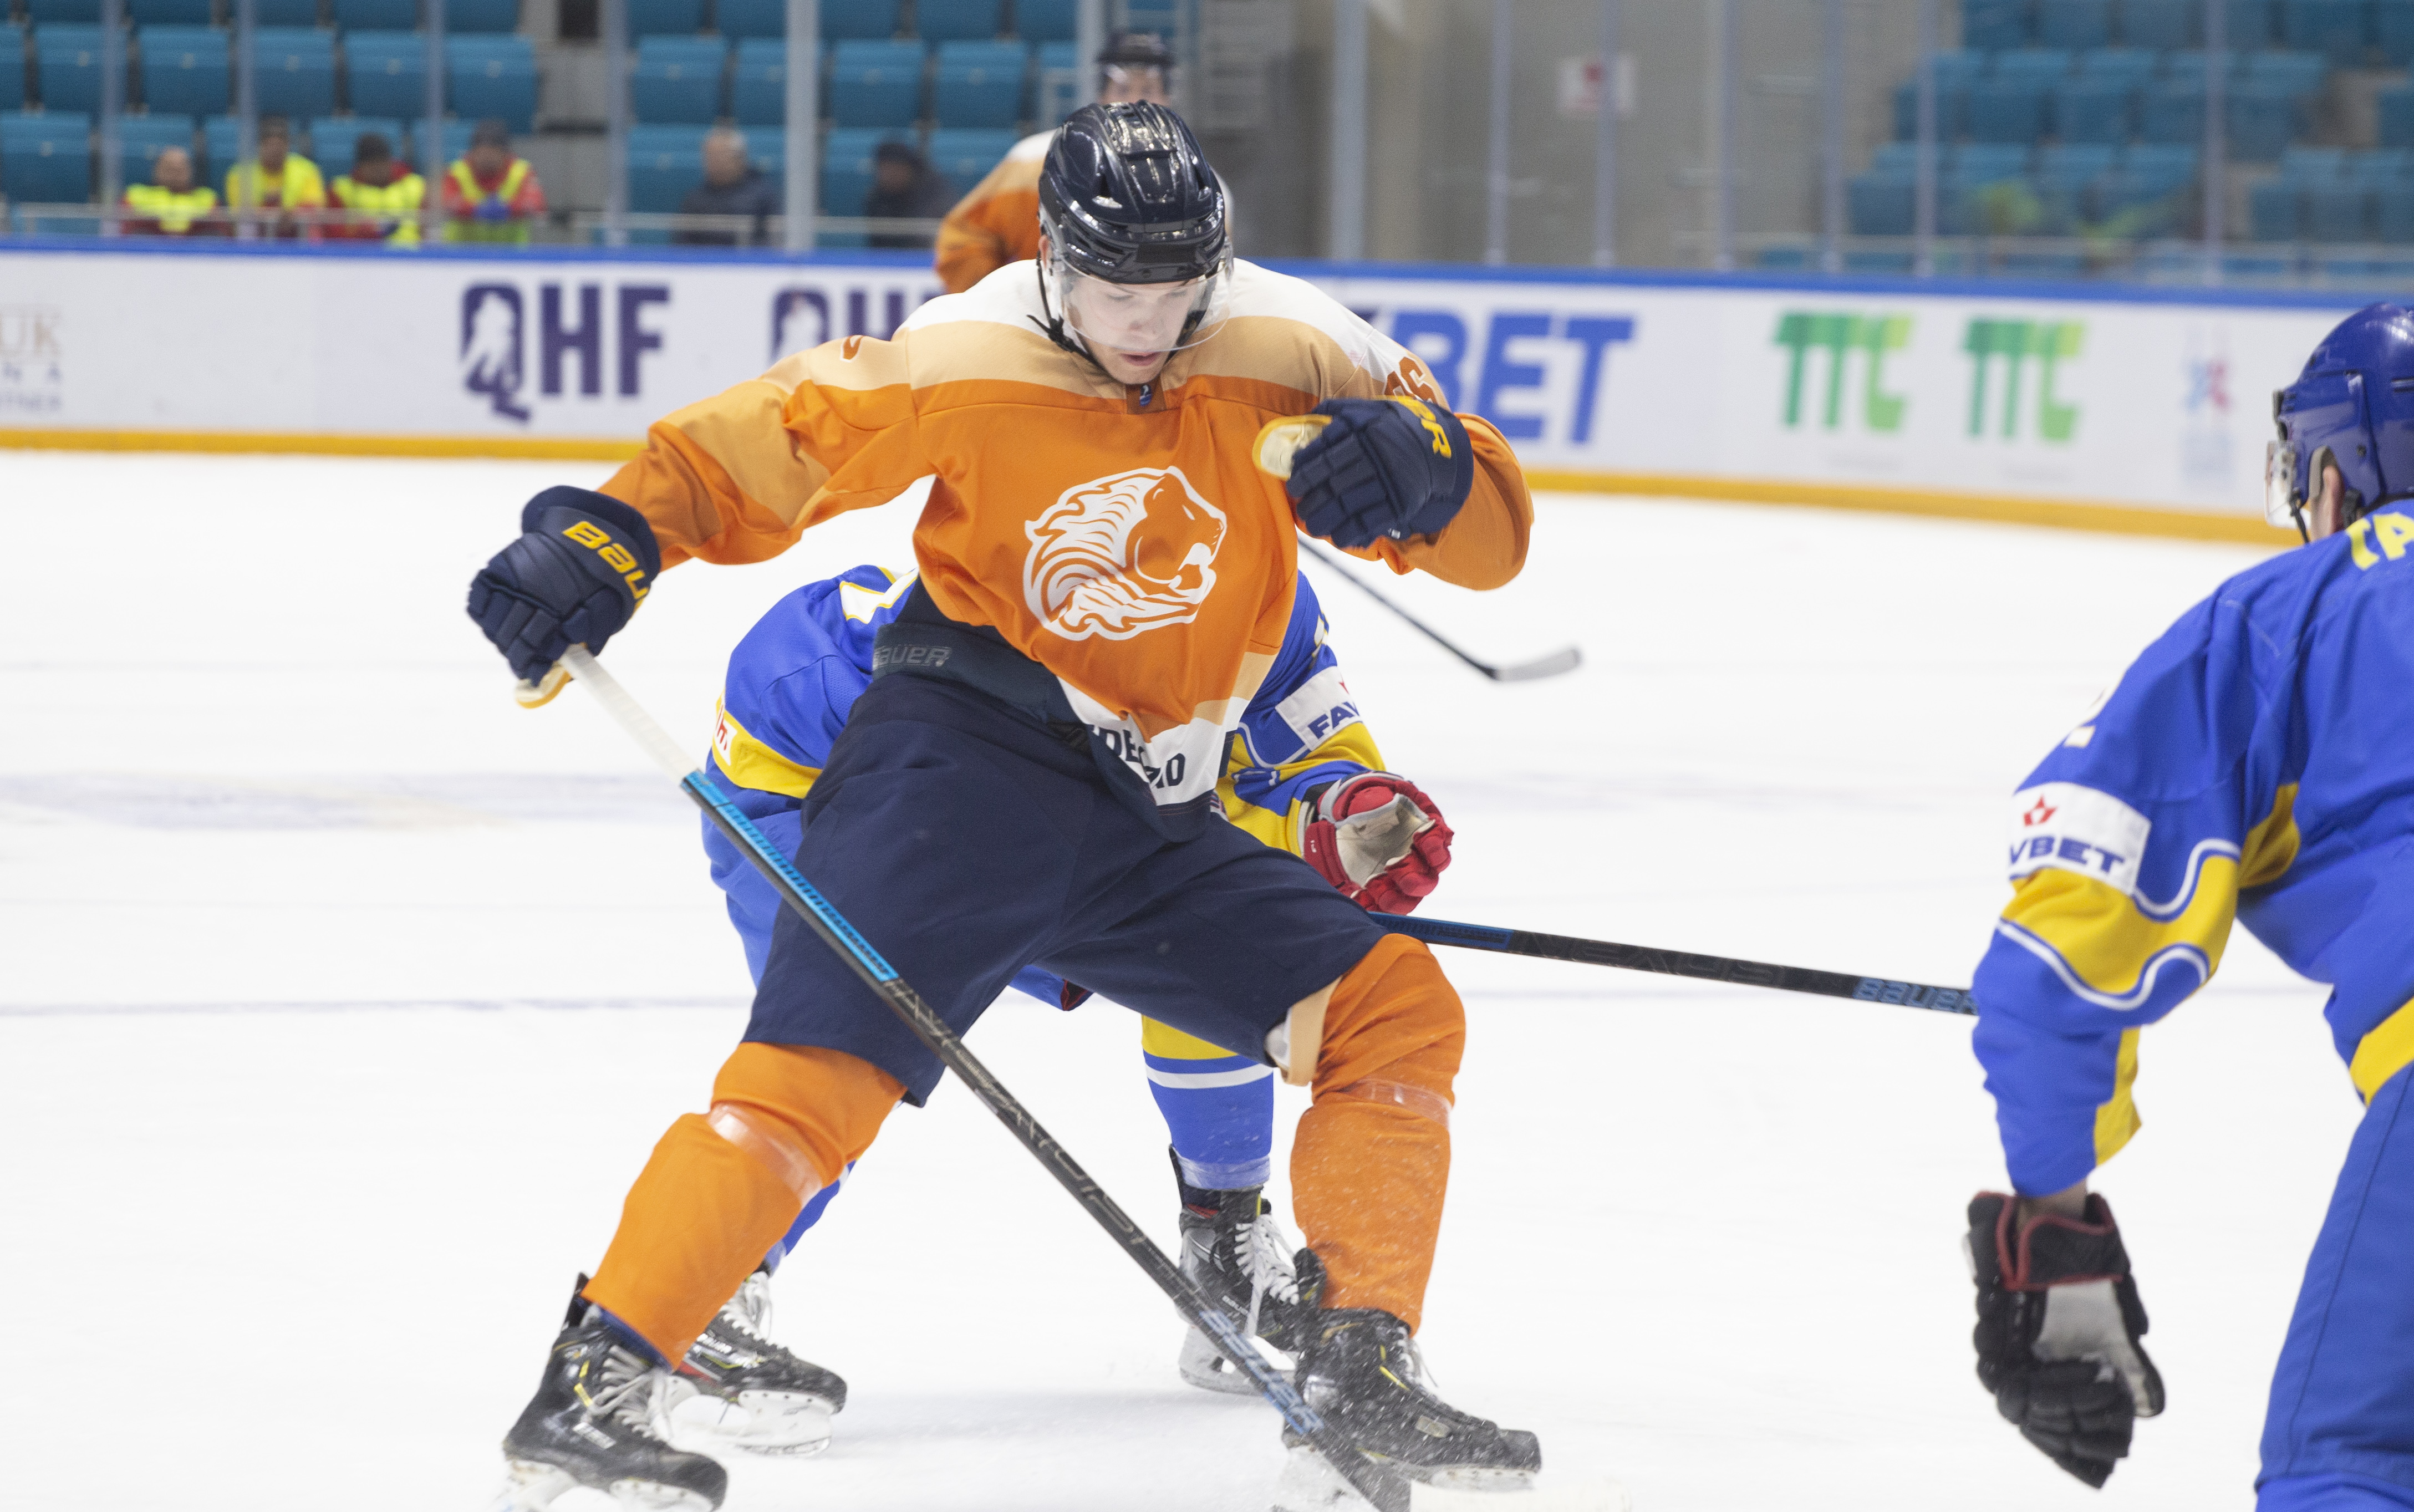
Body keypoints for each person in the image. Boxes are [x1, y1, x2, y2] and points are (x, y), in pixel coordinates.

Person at [466, 102, 1535, 1512]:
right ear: (1052, 260)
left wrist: (1438, 472)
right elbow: (767, 445)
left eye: (1174, 295)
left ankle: (1360, 1374)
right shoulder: (969, 347)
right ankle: (595, 1381)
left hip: (1148, 804)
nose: (1146, 326)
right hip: (959, 759)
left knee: (1396, 1009)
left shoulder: (1296, 344)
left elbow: (1494, 541)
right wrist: (607, 533)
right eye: (1112, 294)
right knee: (816, 1084)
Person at [678, 559, 1451, 1443]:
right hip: (818, 788)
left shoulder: (1267, 586)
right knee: (848, 1042)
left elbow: (1301, 756)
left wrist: (1340, 816)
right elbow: (853, 705)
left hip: (1050, 795)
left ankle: (1223, 1247)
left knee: (1238, 952)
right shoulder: (1036, 578)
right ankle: (699, 1299)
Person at [1958, 301, 2414, 1508]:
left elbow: (2054, 967)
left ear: (2336, 467)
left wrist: (2046, 1232)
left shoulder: (2283, 617)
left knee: (2353, 1469)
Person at [932, 30, 1173, 293]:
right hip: (1043, 327)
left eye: (1148, 90)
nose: (1133, 102)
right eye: (1122, 89)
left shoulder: (1196, 179)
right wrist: (1000, 301)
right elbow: (964, 238)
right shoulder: (1033, 161)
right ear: (1102, 95)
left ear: (1167, 101)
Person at [442, 119, 546, 245]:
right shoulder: (457, 172)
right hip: (463, 256)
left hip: (512, 257)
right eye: (481, 153)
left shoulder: (522, 172)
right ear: (472, 152)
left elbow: (535, 204)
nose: (486, 159)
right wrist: (476, 210)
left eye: (492, 153)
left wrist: (507, 210)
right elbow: (445, 203)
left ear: (504, 153)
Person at [222, 116, 325, 236]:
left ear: (288, 146)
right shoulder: (239, 174)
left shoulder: (307, 170)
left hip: (296, 232)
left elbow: (314, 206)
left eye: (280, 145)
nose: (275, 150)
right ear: (259, 146)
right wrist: (273, 214)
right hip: (256, 233)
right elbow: (240, 212)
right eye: (270, 145)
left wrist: (291, 214)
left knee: (313, 229)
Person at [676, 128, 780, 246]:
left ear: (740, 158)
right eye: (710, 157)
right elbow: (682, 243)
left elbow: (774, 238)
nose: (714, 163)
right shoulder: (695, 199)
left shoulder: (763, 196)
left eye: (720, 157)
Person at [328, 133, 425, 246]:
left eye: (382, 162)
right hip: (361, 257)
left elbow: (430, 229)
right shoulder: (341, 189)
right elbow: (333, 235)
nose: (378, 169)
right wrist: (361, 232)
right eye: (372, 164)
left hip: (410, 256)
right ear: (360, 165)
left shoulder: (416, 185)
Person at [862, 140, 953, 250]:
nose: (890, 175)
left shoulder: (934, 193)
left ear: (908, 168)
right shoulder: (876, 199)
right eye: (885, 169)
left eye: (896, 168)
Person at [120, 146, 219, 236]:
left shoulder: (206, 197)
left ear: (190, 171)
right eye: (169, 169)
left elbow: (223, 234)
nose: (175, 175)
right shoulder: (136, 194)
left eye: (180, 170)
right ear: (156, 169)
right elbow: (120, 232)